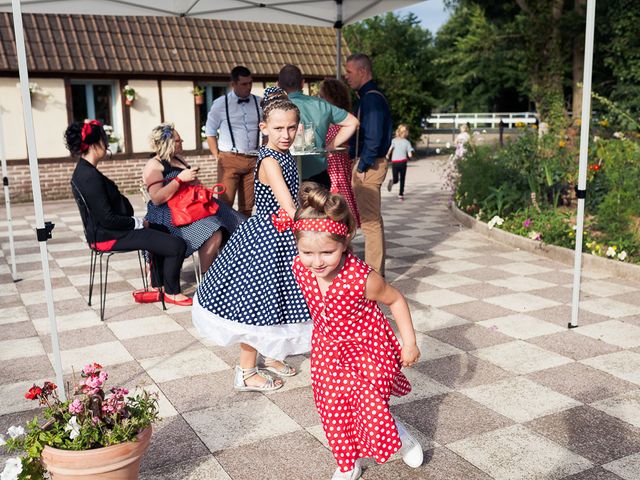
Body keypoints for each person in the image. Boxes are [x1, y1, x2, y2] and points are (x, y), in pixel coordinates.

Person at [289, 182, 423, 480]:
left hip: (368, 350)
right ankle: (348, 462)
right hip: (328, 351)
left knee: (371, 408)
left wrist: (409, 343)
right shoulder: (301, 267)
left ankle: (400, 436)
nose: (317, 261)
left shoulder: (363, 279)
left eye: (327, 252)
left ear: (346, 239)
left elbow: (397, 299)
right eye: (307, 252)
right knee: (333, 409)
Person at [192, 87, 312, 392]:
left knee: (280, 301)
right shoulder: (270, 161)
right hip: (266, 240)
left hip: (282, 238)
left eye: (291, 127)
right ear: (264, 128)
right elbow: (290, 208)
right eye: (278, 128)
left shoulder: (285, 155)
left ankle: (272, 355)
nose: (286, 134)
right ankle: (245, 372)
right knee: (257, 305)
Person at [66, 120, 191, 306]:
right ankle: (172, 292)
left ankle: (158, 287)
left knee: (163, 230)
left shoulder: (85, 171)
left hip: (109, 230)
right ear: (94, 145)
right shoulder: (89, 177)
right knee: (177, 245)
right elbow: (107, 219)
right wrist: (140, 223)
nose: (107, 144)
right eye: (104, 140)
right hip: (109, 235)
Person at [142, 123, 245, 273]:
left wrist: (196, 183)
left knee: (239, 222)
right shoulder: (154, 165)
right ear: (168, 143)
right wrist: (179, 180)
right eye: (178, 140)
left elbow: (192, 185)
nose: (182, 141)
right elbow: (157, 198)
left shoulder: (179, 159)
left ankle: (233, 268)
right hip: (168, 215)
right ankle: (208, 275)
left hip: (192, 206)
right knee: (213, 229)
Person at [345, 53, 392, 276]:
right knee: (371, 219)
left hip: (369, 165)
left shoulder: (371, 99)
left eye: (349, 72)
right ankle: (375, 271)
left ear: (362, 72)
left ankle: (373, 275)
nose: (346, 76)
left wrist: (362, 166)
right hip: (369, 163)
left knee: (371, 221)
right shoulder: (369, 97)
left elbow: (373, 137)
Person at [277, 64, 359, 188]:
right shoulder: (321, 104)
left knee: (288, 208)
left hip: (284, 174)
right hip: (318, 175)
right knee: (318, 208)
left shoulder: (275, 107)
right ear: (302, 83)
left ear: (278, 85)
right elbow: (353, 122)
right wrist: (330, 146)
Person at [205, 66, 262, 217]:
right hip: (229, 159)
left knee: (248, 206)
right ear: (233, 84)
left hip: (253, 159)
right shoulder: (220, 103)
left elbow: (266, 129)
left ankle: (244, 237)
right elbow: (209, 132)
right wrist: (217, 156)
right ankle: (223, 237)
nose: (248, 87)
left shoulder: (259, 102)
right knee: (224, 204)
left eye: (250, 83)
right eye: (244, 84)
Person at [318, 78, 361, 227]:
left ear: (333, 97)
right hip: (336, 167)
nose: (320, 100)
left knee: (336, 208)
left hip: (335, 169)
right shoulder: (338, 116)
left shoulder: (338, 118)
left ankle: (341, 242)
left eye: (322, 96)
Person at [386, 124, 415, 201]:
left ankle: (400, 194)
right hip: (396, 162)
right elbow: (391, 148)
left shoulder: (407, 142)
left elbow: (409, 153)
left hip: (401, 162)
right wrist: (387, 155)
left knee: (402, 178)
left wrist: (388, 155)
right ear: (405, 133)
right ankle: (392, 181)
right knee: (397, 179)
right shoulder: (394, 141)